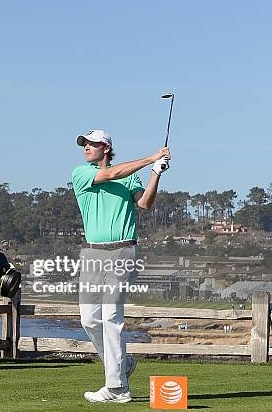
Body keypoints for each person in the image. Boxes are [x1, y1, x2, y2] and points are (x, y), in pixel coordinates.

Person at [71, 130, 170, 403]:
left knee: (110, 317)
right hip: (92, 253)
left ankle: (117, 388)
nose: (86, 148)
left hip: (123, 250)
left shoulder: (130, 175)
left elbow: (145, 203)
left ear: (106, 147)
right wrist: (151, 156)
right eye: (85, 144)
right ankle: (122, 364)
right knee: (89, 319)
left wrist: (156, 172)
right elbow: (110, 175)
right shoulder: (81, 173)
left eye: (91, 144)